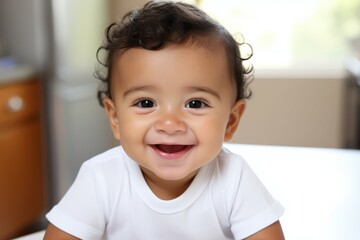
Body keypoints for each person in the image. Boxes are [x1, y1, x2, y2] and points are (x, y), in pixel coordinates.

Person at [44, 1, 285, 239]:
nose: (170, 124)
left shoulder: (234, 178)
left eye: (195, 103)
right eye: (146, 103)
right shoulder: (101, 178)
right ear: (115, 118)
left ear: (231, 122)